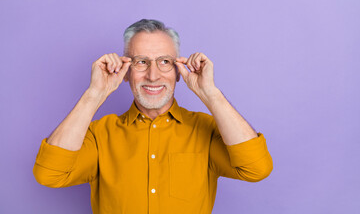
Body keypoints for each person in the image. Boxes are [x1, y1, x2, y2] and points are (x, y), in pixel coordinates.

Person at [33, 19, 273, 214]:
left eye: (165, 62)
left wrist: (210, 93)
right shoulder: (99, 135)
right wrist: (95, 94)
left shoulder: (206, 129)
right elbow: (49, 174)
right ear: (125, 71)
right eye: (141, 62)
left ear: (179, 71)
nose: (153, 75)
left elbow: (256, 169)